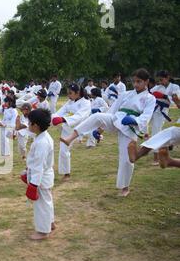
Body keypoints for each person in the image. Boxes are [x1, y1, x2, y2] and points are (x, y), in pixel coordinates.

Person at [60, 68, 156, 197]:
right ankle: (71, 137)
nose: (136, 84)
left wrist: (134, 120)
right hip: (117, 119)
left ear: (146, 82)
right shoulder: (126, 94)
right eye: (134, 81)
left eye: (139, 82)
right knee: (97, 116)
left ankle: (125, 187)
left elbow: (146, 117)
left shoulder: (150, 98)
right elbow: (112, 110)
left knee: (126, 158)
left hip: (130, 126)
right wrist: (100, 128)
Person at [21, 108, 55, 240]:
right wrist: (27, 172)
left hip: (40, 178)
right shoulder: (43, 136)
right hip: (43, 176)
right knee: (47, 201)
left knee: (41, 205)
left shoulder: (42, 142)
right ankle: (50, 223)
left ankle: (43, 231)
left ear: (36, 125)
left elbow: (39, 166)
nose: (28, 125)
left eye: (29, 123)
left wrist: (33, 184)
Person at [52, 83, 91, 181]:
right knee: (63, 151)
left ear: (78, 93)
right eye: (67, 93)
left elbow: (80, 116)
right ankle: (66, 173)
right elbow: (59, 112)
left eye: (70, 93)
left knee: (65, 150)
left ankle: (67, 174)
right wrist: (52, 118)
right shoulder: (70, 102)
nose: (68, 95)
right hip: (67, 129)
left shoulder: (86, 103)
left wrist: (63, 119)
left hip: (78, 129)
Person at [149, 70, 180, 165]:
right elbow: (149, 93)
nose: (160, 82)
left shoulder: (175, 87)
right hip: (154, 109)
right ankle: (166, 147)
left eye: (162, 79)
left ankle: (156, 157)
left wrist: (165, 96)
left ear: (167, 78)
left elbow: (176, 101)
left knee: (156, 131)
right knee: (147, 130)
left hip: (162, 111)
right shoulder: (158, 87)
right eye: (159, 80)